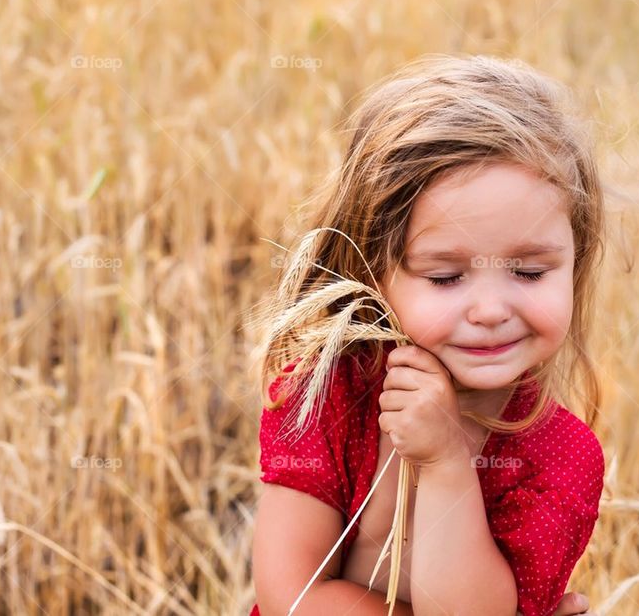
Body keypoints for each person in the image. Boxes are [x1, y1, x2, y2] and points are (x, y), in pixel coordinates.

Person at [250, 54, 608, 616]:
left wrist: (446, 464)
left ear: (576, 262)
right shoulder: (324, 396)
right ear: (375, 272)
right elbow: (289, 598)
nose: (490, 310)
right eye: (446, 277)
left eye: (530, 272)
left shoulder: (560, 456)